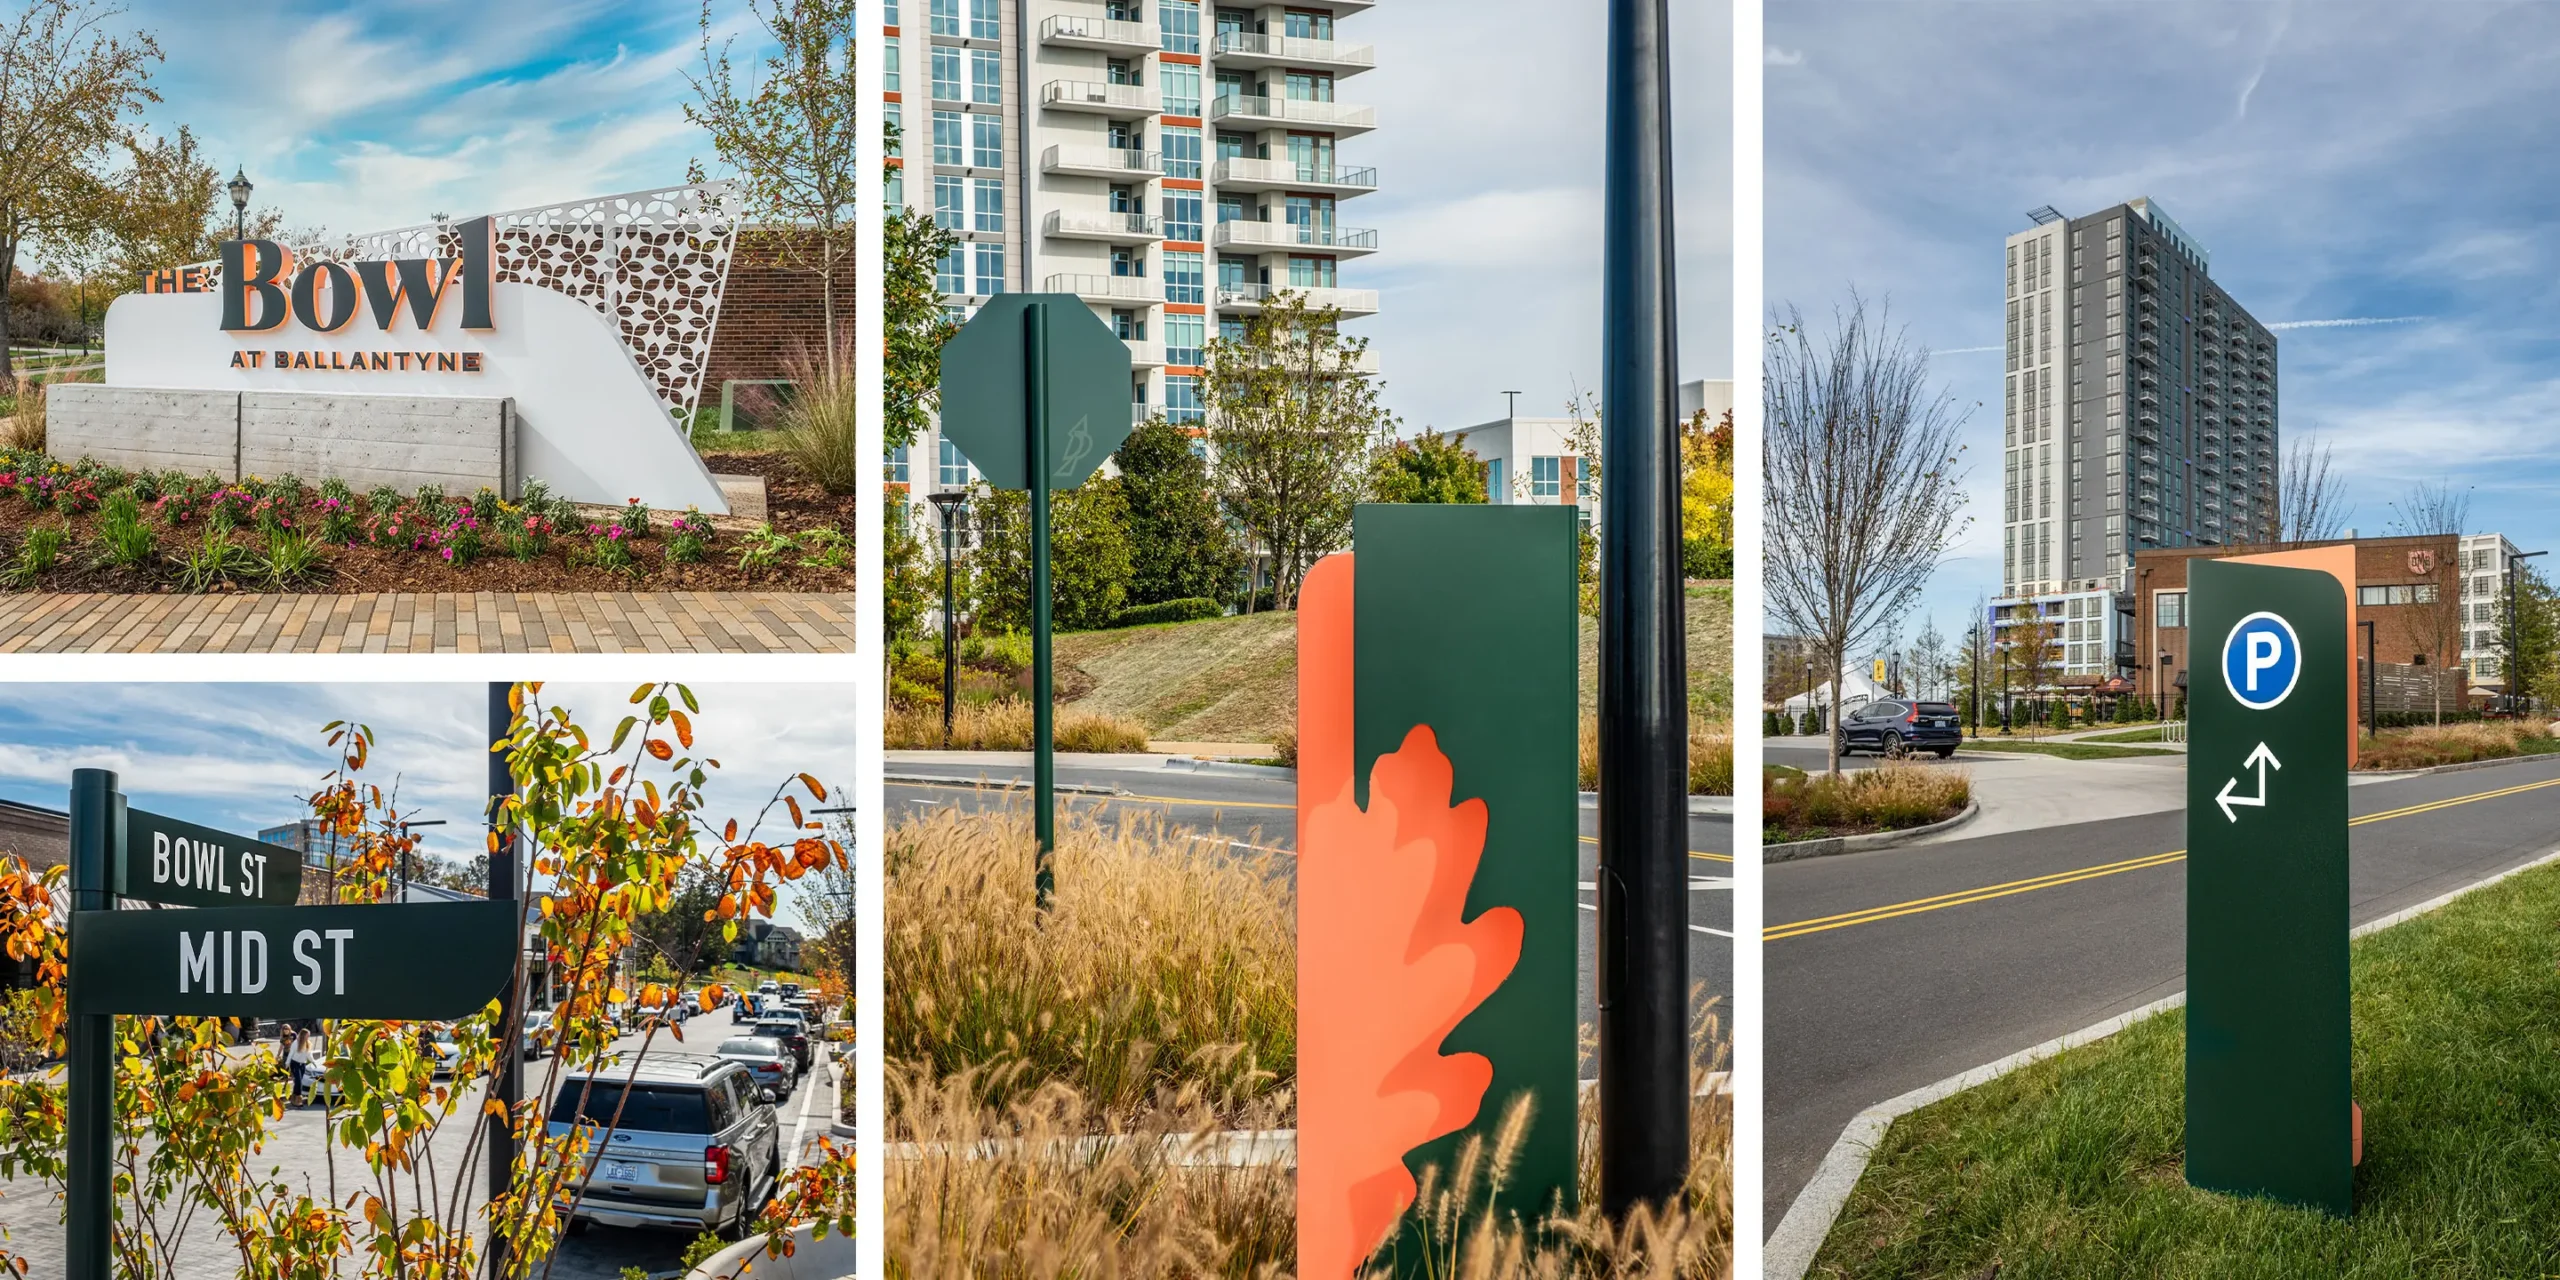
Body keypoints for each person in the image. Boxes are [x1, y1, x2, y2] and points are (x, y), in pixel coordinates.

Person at [284, 1028, 314, 1107]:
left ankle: (293, 1098)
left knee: (298, 1082)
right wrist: (287, 1063)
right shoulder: (295, 1043)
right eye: (307, 1036)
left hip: (302, 1065)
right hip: (295, 1064)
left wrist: (313, 1062)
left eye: (309, 1036)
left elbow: (309, 1055)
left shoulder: (308, 1043)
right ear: (303, 1035)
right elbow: (291, 1053)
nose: (308, 1038)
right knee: (299, 1082)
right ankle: (298, 1099)